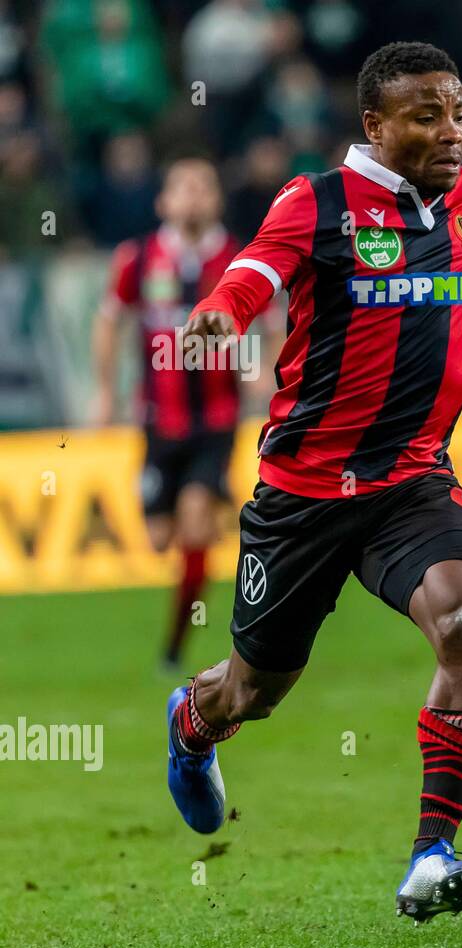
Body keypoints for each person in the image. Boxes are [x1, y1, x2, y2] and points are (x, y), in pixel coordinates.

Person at [168, 41, 462, 921]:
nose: (452, 131)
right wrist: (215, 319)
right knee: (254, 693)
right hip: (303, 493)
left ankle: (429, 856)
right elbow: (247, 280)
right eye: (427, 116)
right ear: (374, 125)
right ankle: (193, 719)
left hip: (411, 482)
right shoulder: (317, 203)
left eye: (457, 113)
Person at [91, 158, 265, 670]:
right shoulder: (137, 258)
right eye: (182, 188)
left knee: (192, 523)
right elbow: (109, 324)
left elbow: (274, 319)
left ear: (216, 199)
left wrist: (262, 369)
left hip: (216, 417)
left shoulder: (239, 259)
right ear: (162, 201)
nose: (192, 197)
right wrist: (105, 390)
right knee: (160, 537)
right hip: (157, 419)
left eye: (203, 187)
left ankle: (174, 647)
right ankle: (217, 507)